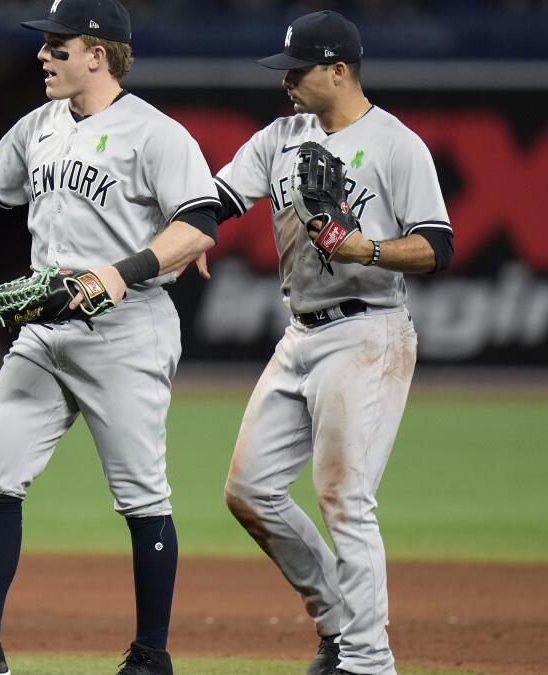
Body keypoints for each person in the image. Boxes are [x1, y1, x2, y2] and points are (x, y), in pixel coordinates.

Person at [0, 0, 219, 673]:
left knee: (142, 495)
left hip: (127, 331)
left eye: (57, 45)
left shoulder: (154, 133)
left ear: (98, 52)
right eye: (46, 45)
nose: (42, 55)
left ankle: (151, 656)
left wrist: (120, 273)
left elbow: (199, 222)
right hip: (44, 329)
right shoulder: (40, 127)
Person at [213, 11, 454, 675]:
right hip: (300, 333)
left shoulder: (396, 145)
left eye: (299, 69)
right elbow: (216, 201)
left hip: (368, 332)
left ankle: (369, 661)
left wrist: (366, 246)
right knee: (248, 491)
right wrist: (178, 242)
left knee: (346, 497)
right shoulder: (279, 137)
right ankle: (338, 626)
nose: (286, 79)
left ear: (340, 70)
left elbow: (438, 247)